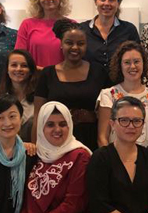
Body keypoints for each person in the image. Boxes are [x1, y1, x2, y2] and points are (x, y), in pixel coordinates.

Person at [33, 19, 108, 151]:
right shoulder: (47, 74)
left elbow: (107, 114)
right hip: (55, 141)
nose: (75, 47)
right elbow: (38, 117)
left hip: (90, 140)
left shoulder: (99, 72)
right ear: (61, 44)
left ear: (86, 45)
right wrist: (35, 148)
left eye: (80, 43)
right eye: (69, 43)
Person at [96, 41, 148, 148]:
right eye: (127, 62)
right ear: (120, 65)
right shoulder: (108, 95)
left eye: (136, 61)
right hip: (117, 157)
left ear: (144, 64)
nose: (132, 66)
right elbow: (102, 138)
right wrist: (111, 158)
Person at [80, 0, 140, 77]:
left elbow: (137, 62)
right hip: (89, 85)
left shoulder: (129, 30)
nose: (106, 3)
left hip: (121, 85)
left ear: (118, 3)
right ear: (95, 1)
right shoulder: (82, 30)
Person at [16, 0, 73, 69]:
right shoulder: (27, 24)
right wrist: (41, 71)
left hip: (63, 76)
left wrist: (52, 73)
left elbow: (76, 59)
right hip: (35, 76)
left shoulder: (71, 25)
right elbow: (19, 58)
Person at [0, 49, 38, 141]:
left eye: (24, 66)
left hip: (34, 146)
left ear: (31, 70)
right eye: (14, 65)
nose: (18, 69)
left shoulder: (40, 98)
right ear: (7, 69)